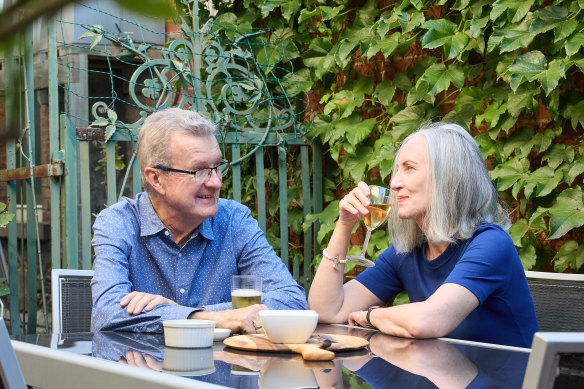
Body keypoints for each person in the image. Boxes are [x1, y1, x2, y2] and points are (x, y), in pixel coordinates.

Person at [308, 122, 538, 348]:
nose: (395, 183)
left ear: (448, 177)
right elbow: (327, 310)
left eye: (409, 168)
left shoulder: (490, 243)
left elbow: (427, 320)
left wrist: (370, 317)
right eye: (397, 170)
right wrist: (344, 225)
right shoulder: (408, 251)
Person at [91, 108, 307, 334]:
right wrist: (204, 317)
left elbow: (292, 301)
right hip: (144, 367)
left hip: (223, 366)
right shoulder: (119, 222)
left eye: (216, 167)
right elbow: (106, 312)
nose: (215, 182)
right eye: (199, 170)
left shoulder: (234, 220)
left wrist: (186, 315)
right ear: (156, 178)